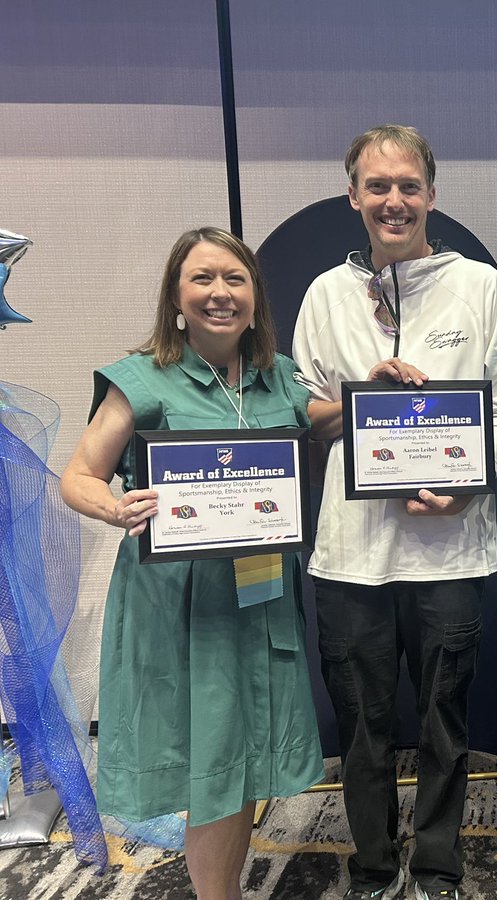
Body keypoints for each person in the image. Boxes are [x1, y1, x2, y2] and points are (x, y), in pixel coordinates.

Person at [291, 124, 497, 900]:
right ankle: (372, 863)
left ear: (432, 193)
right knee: (361, 724)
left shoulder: (478, 286)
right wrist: (362, 394)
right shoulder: (325, 294)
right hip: (351, 554)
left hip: (448, 548)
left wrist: (470, 483)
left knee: (443, 719)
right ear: (353, 195)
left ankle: (437, 864)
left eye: (409, 186)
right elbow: (305, 414)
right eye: (378, 186)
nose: (394, 200)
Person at [60, 227, 323, 900]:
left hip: (259, 593)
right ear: (176, 298)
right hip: (177, 601)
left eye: (235, 278)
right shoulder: (143, 377)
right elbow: (79, 477)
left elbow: (326, 419)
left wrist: (379, 399)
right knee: (211, 760)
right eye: (202, 278)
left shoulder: (276, 374)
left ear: (255, 297)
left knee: (240, 759)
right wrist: (114, 509)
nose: (219, 293)